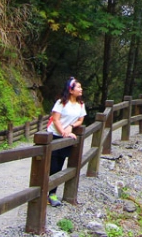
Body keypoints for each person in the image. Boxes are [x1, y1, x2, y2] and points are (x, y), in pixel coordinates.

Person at [45, 76, 86, 207]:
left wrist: (71, 127)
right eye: (78, 87)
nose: (81, 89)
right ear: (71, 90)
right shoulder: (61, 102)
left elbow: (80, 120)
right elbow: (55, 119)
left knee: (59, 166)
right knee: (52, 166)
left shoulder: (80, 104)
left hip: (67, 136)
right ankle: (47, 193)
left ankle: (51, 194)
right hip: (54, 135)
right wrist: (63, 131)